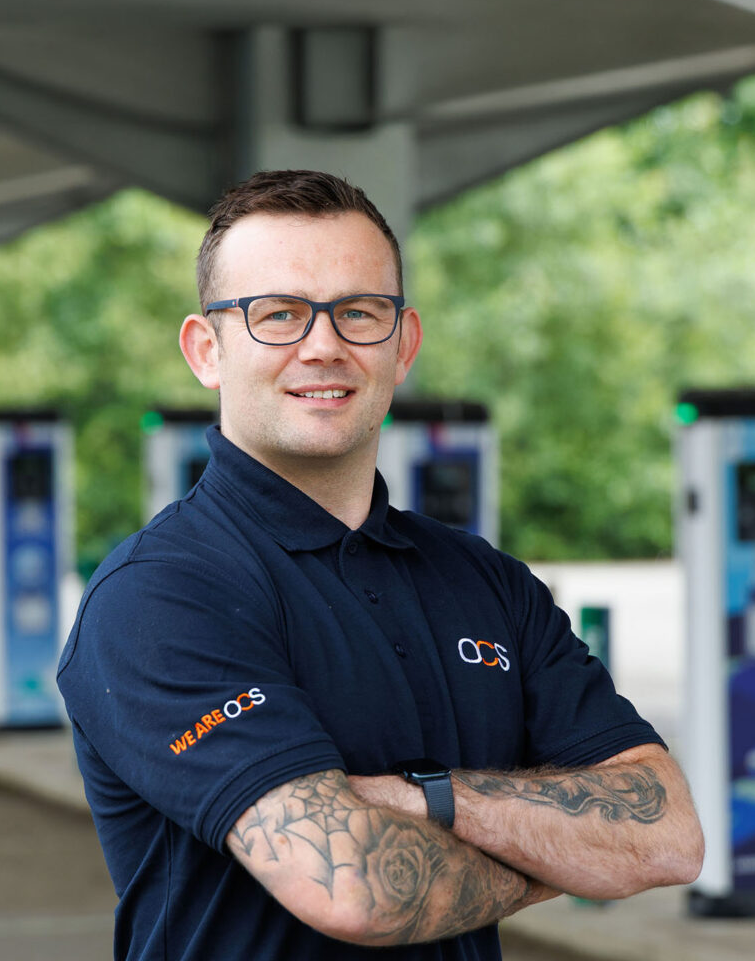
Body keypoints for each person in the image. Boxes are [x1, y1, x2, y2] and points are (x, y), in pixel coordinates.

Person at [57, 169, 704, 960]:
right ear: (206, 350)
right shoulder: (160, 594)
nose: (323, 345)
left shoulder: (486, 583)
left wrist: (418, 800)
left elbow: (668, 834)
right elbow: (355, 889)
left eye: (359, 313)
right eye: (279, 315)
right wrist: (558, 858)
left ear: (404, 346)